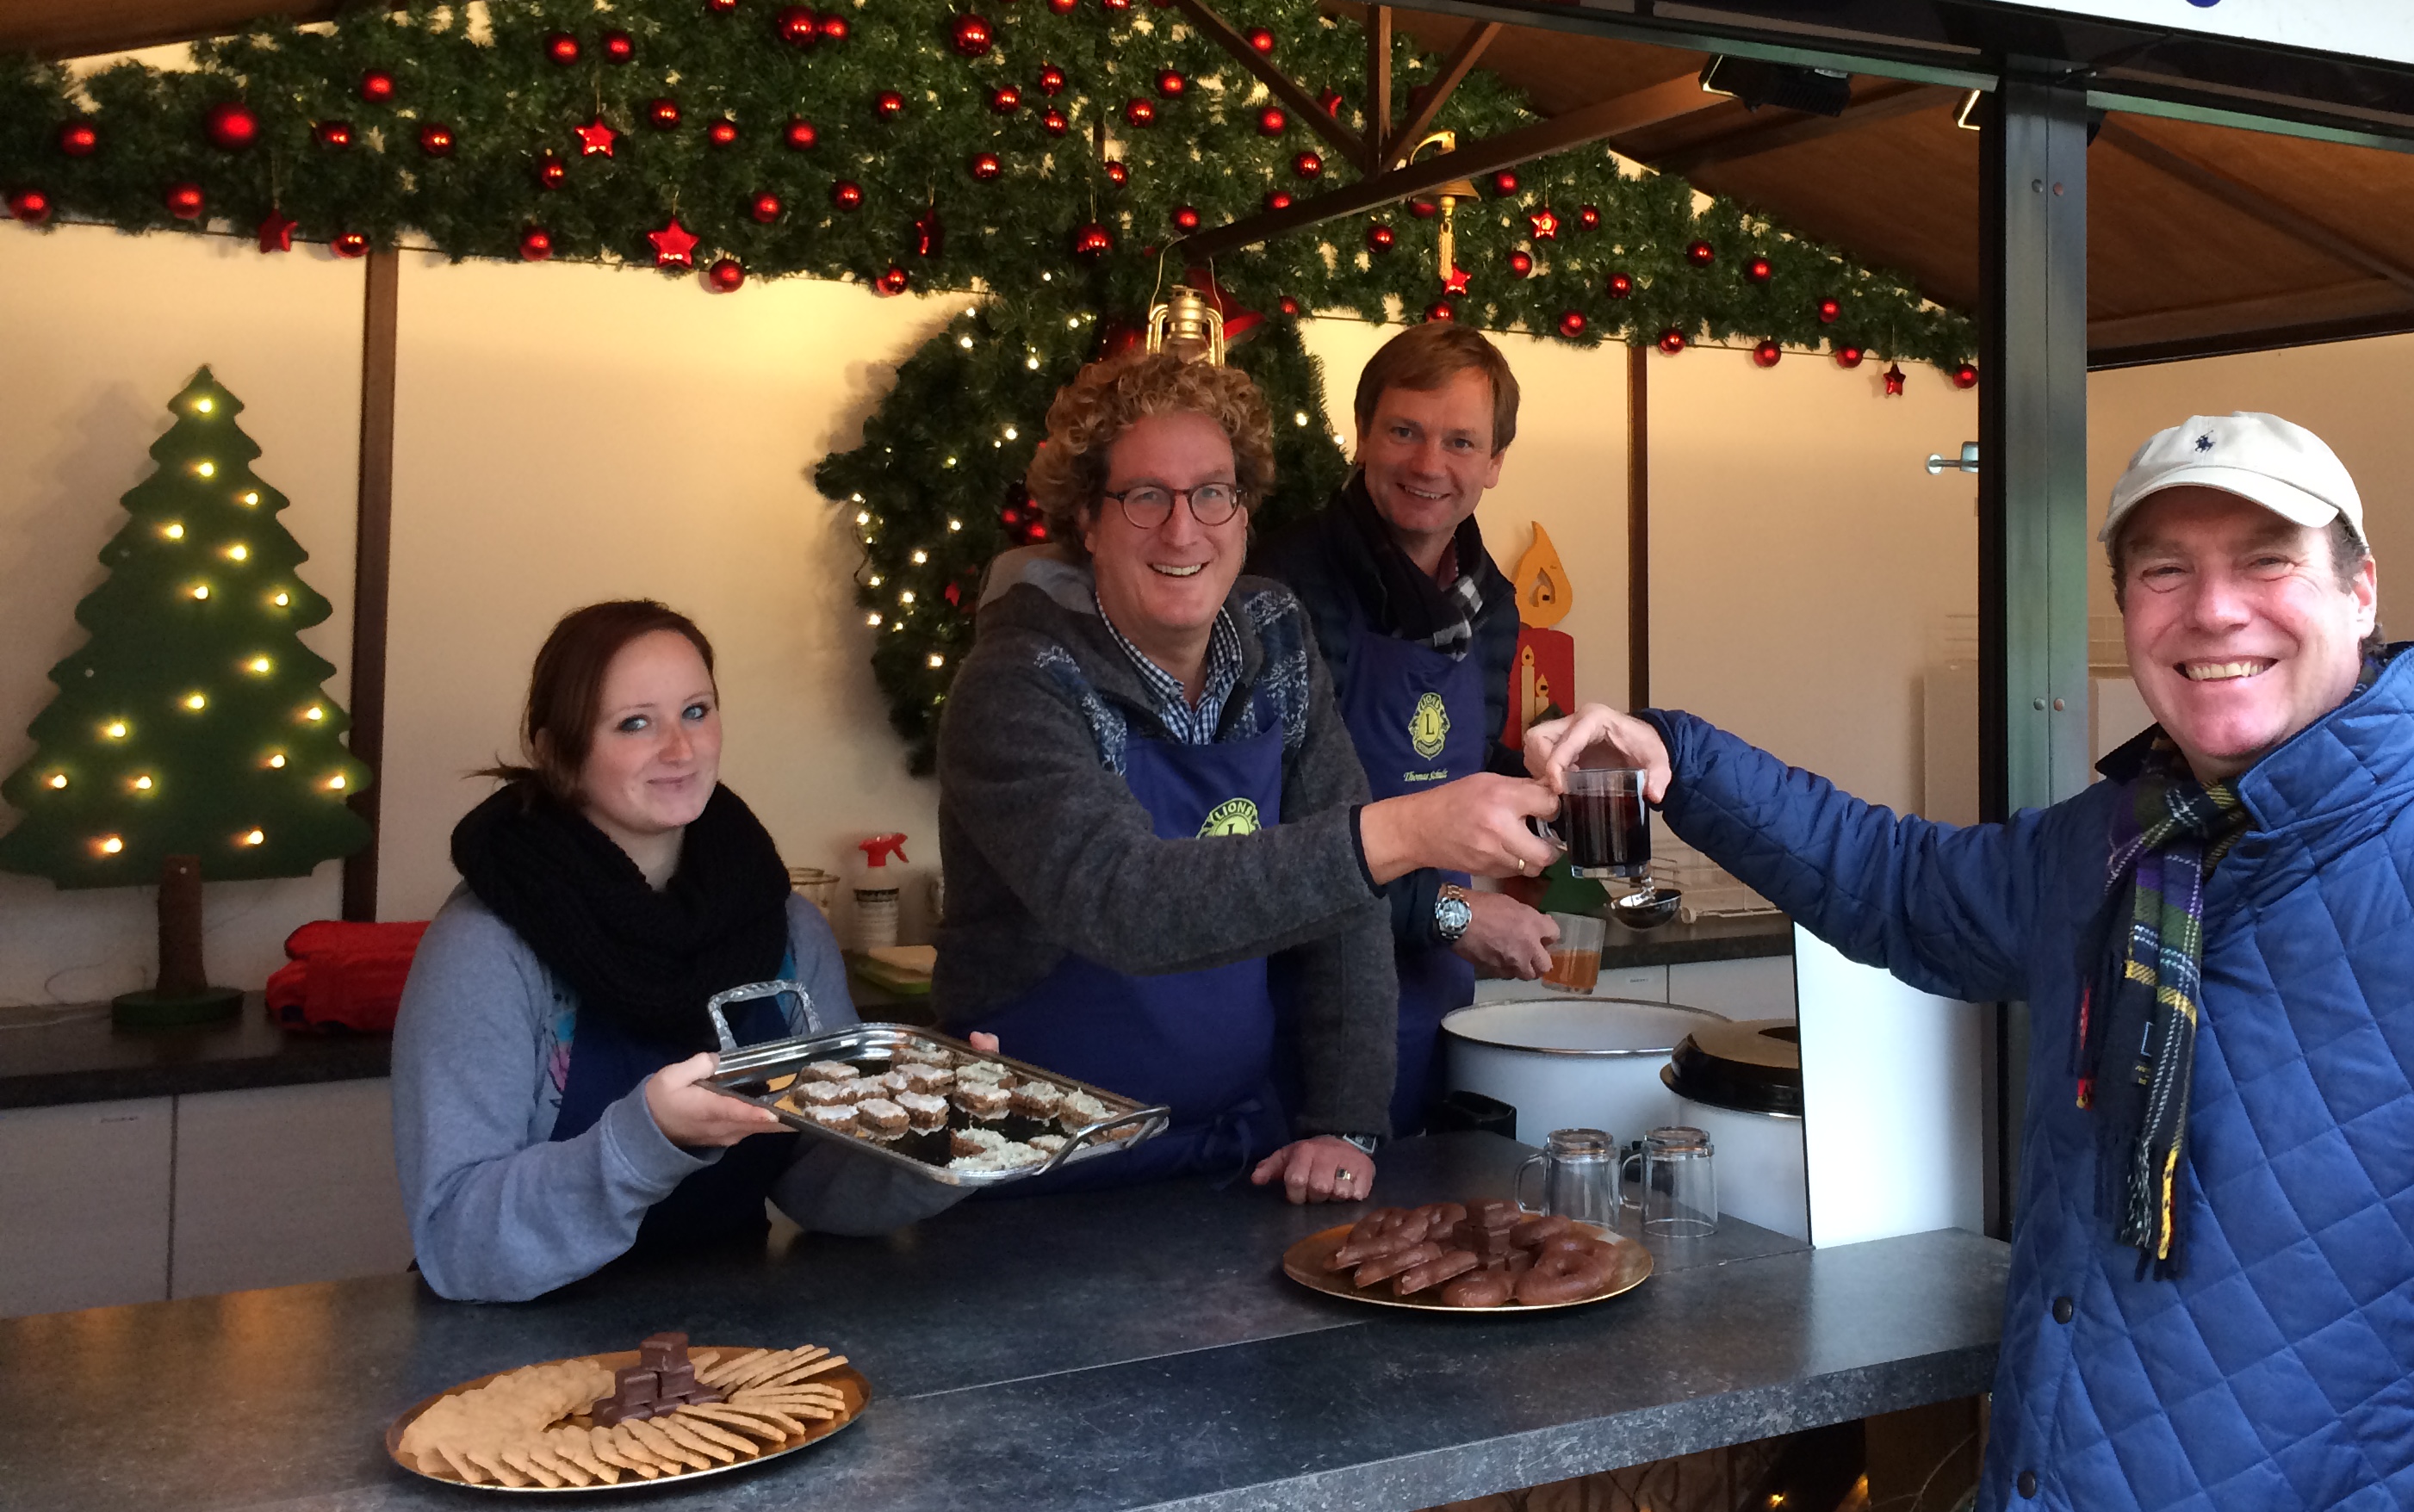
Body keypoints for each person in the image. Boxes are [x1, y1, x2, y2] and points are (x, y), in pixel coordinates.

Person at [1529, 413, 2414, 1512]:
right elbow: (1908, 892)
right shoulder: (2123, 842)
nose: (2214, 609)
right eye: (2164, 572)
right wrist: (1677, 764)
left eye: (2268, 562)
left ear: (2362, 592)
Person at [932, 348, 1556, 1205]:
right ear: (1088, 517)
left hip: (1229, 1159)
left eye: (1213, 494)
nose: (1183, 530)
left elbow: (1346, 909)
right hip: (1039, 1175)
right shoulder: (1019, 683)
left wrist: (1343, 1119)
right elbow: (1126, 903)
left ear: (1243, 506)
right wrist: (1404, 832)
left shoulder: (1273, 640)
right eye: (1145, 495)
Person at [394, 600, 956, 1303]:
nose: (680, 749)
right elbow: (457, 1242)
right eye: (635, 723)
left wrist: (940, 1146)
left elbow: (813, 1179)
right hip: (519, 1359)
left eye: (696, 711)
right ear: (556, 754)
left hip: (734, 1342)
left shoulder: (784, 928)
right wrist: (644, 1140)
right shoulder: (486, 950)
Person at [1251, 325, 1561, 1133]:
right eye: (1404, 431)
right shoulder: (1281, 593)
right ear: (1362, 435)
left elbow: (1449, 764)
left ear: (1494, 464)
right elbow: (1267, 842)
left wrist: (1552, 785)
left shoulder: (1492, 605)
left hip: (1431, 1011)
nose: (1430, 465)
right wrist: (1456, 914)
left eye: (1461, 441)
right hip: (1291, 1026)